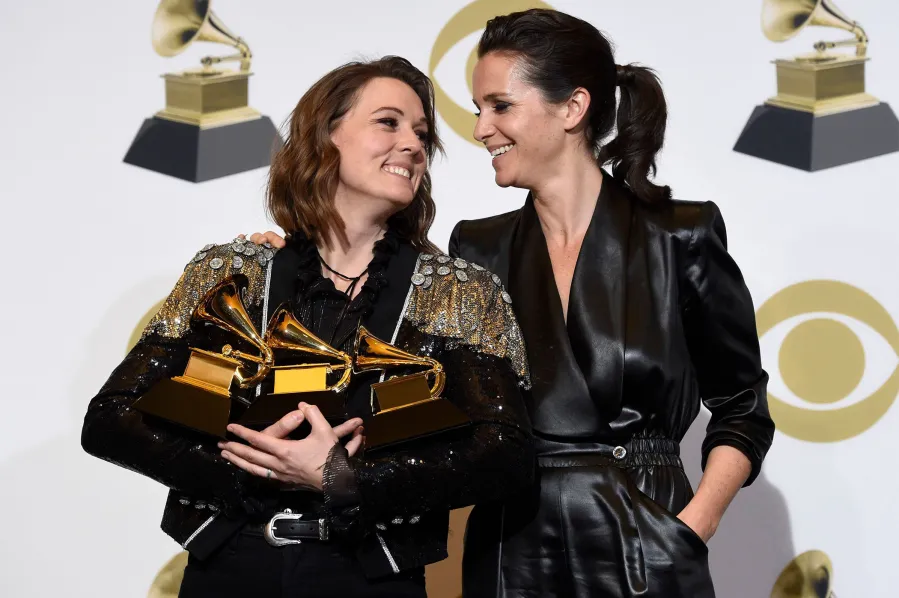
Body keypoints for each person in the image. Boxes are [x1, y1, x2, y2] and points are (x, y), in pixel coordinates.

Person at [248, 10, 776, 598]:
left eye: (500, 106)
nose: (480, 130)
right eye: (479, 110)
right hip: (510, 550)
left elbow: (742, 407)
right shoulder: (476, 248)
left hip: (646, 543)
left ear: (572, 109)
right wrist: (298, 257)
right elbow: (401, 345)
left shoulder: (681, 235)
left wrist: (691, 527)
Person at [81, 56, 534, 598]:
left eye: (420, 133)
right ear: (326, 136)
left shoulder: (460, 290)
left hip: (371, 579)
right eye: (388, 122)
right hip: (230, 569)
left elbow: (505, 454)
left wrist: (342, 478)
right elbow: (110, 419)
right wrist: (244, 465)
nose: (413, 145)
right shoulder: (231, 273)